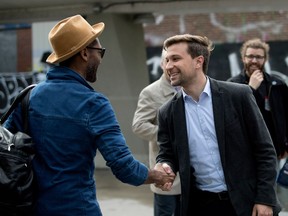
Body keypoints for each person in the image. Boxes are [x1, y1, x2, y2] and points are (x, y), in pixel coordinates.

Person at [3, 14, 175, 216]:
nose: (100, 58)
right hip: (77, 208)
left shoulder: (29, 96)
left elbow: (5, 147)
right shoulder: (94, 103)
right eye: (100, 51)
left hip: (30, 208)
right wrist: (156, 176)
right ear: (85, 53)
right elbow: (123, 166)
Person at [153, 34, 281, 216]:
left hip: (248, 203)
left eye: (175, 59)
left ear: (198, 61)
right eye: (166, 60)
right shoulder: (167, 112)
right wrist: (164, 165)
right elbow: (167, 153)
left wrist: (265, 199)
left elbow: (265, 151)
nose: (168, 66)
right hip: (202, 206)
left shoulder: (238, 95)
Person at [132, 49, 181, 216]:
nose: (171, 65)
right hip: (166, 173)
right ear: (161, 64)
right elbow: (139, 125)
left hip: (192, 174)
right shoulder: (150, 92)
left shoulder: (191, 89)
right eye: (166, 61)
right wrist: (168, 135)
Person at [227, 38, 288, 159]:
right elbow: (231, 118)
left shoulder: (277, 84)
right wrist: (251, 89)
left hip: (273, 150)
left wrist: (286, 146)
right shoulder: (231, 85)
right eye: (250, 56)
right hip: (246, 152)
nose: (254, 61)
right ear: (243, 58)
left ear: (265, 59)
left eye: (259, 57)